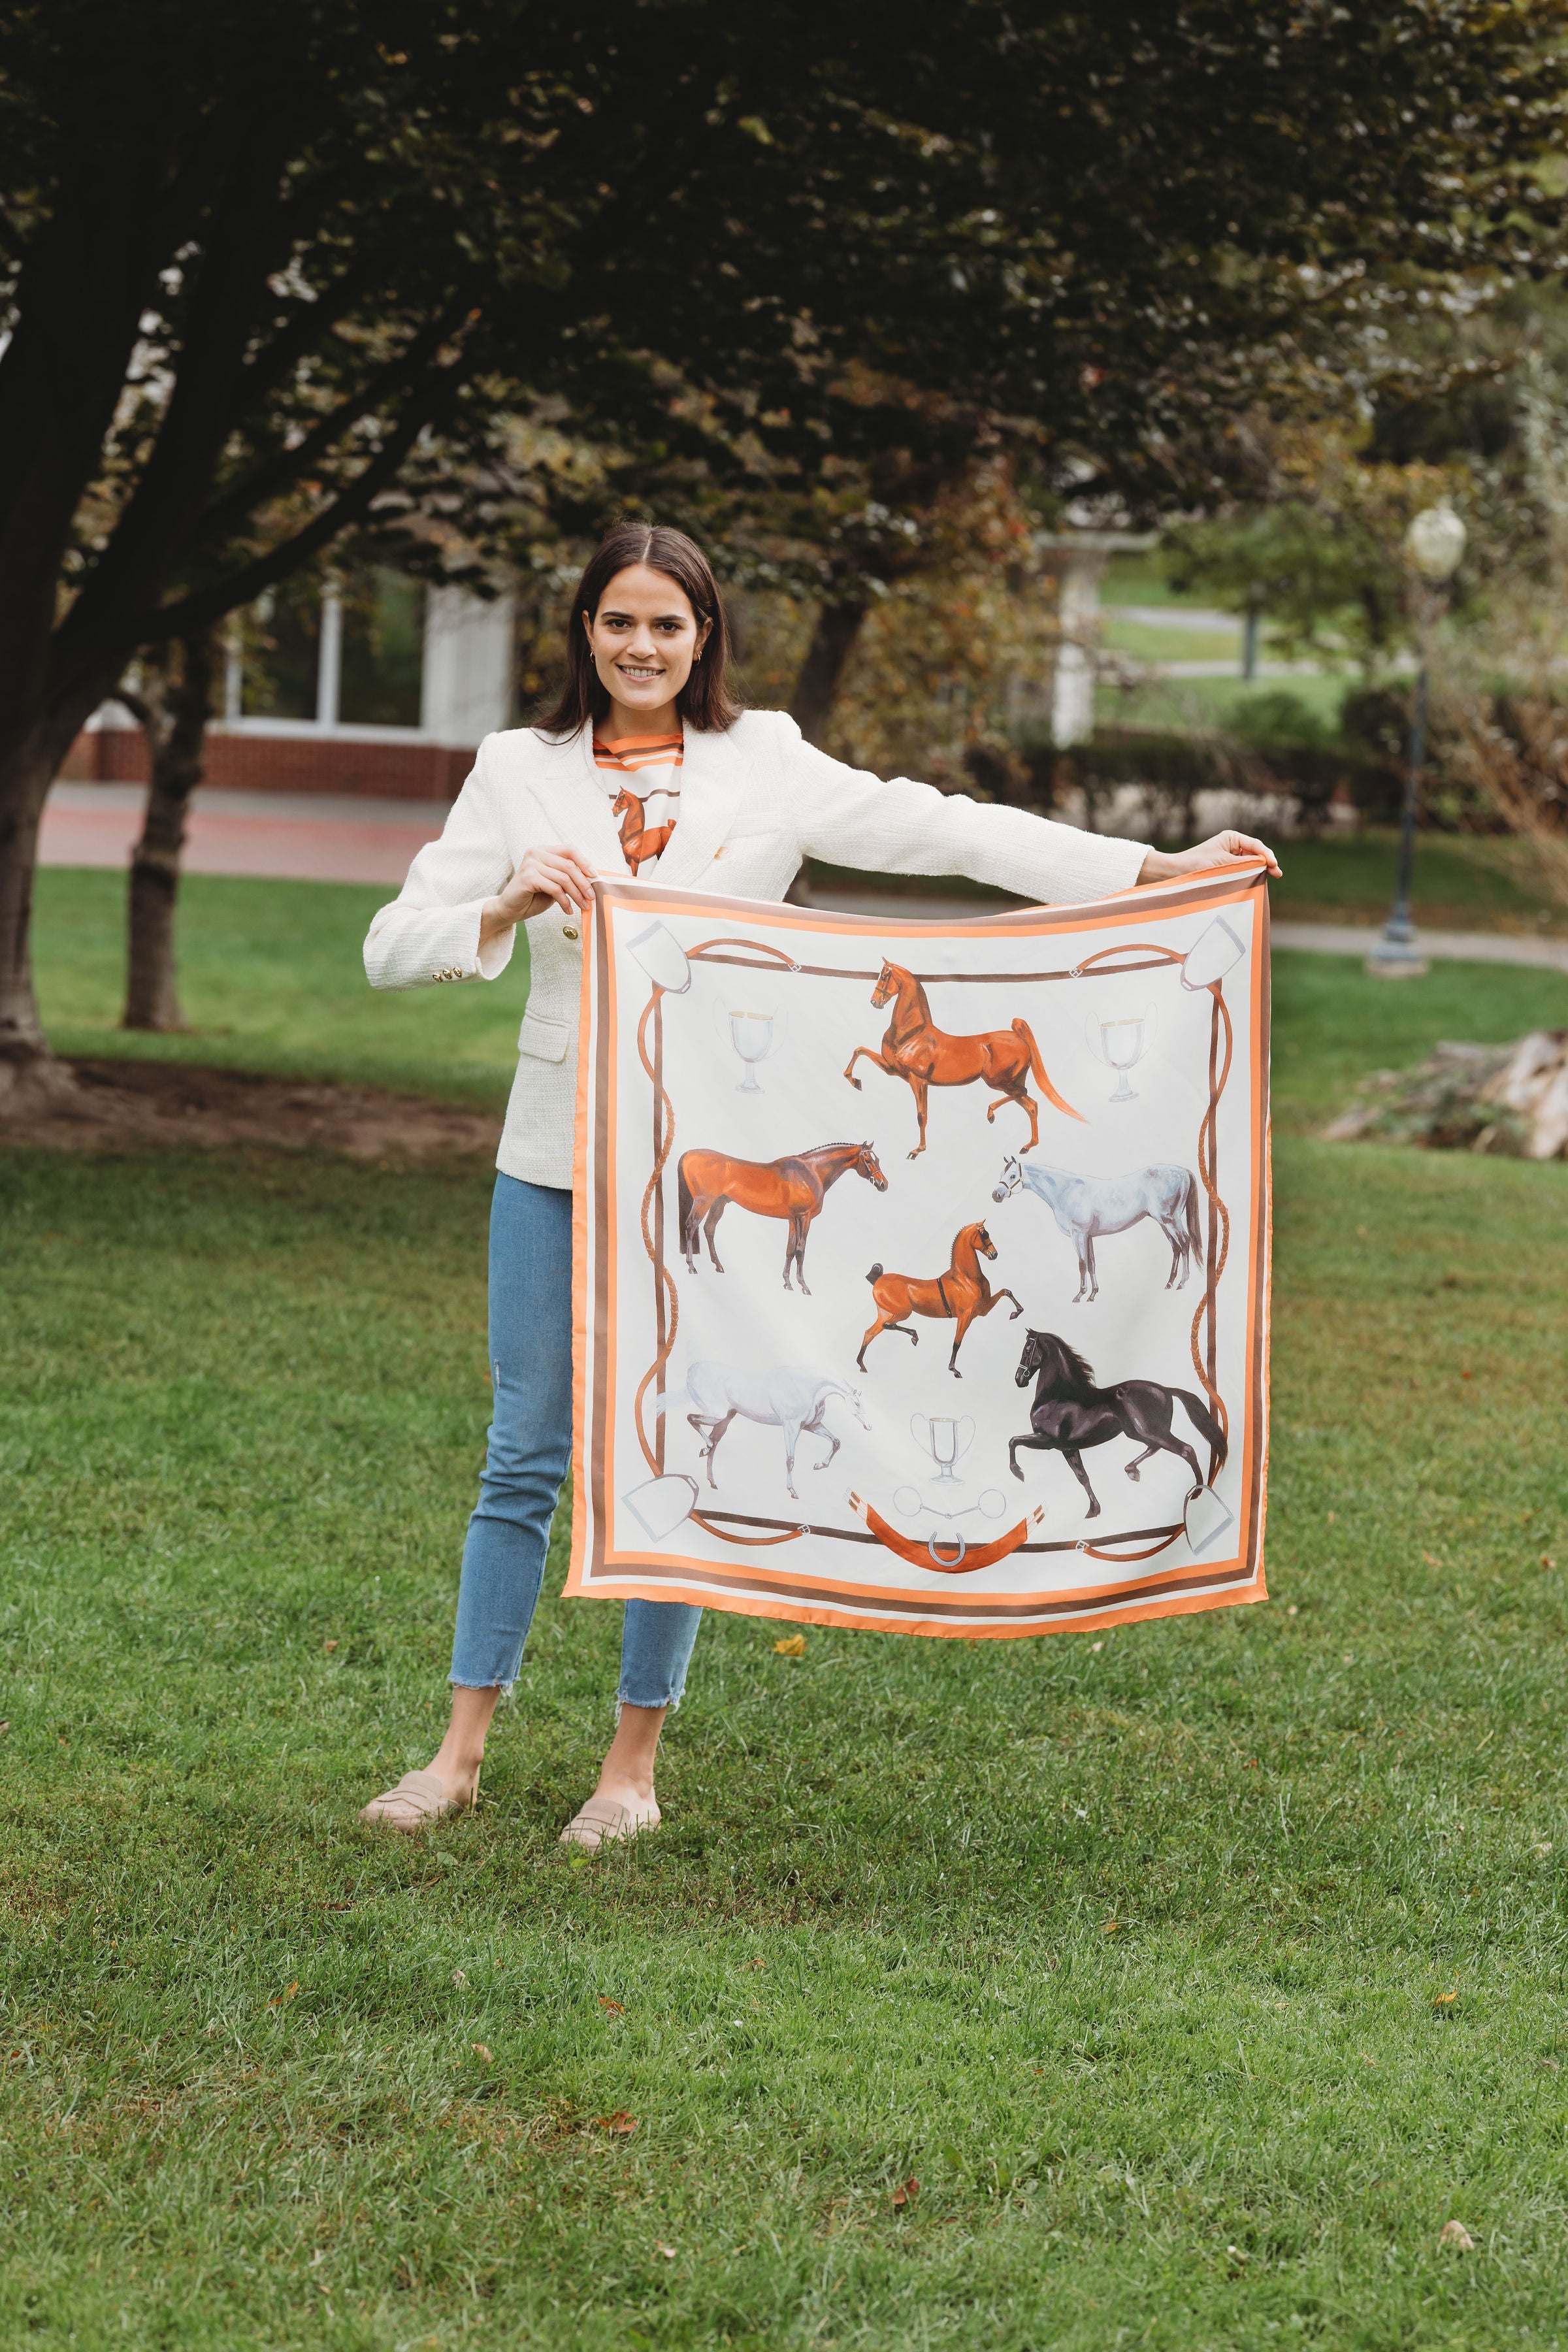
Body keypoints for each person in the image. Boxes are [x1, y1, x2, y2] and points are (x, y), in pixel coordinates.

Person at [358, 521, 1280, 1846]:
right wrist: (499, 909)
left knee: (665, 1455)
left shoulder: (767, 765)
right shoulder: (517, 771)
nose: (641, 647)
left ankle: (629, 1773)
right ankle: (454, 1757)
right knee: (525, 1458)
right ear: (582, 633)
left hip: (712, 1182)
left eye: (667, 626)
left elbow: (948, 830)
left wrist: (1152, 872)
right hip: (555, 1163)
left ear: (704, 640)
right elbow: (394, 946)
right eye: (618, 622)